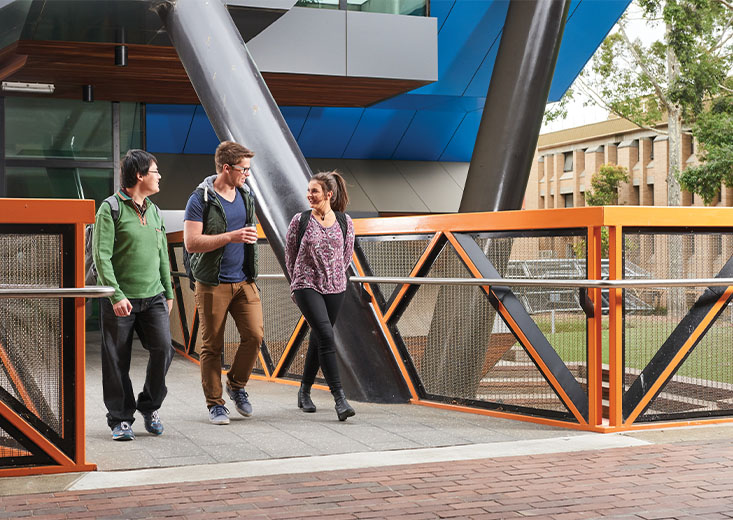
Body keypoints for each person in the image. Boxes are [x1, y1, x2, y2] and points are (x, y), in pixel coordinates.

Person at [93, 149, 174, 441]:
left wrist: (169, 291)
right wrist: (115, 296)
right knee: (116, 359)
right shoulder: (110, 208)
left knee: (165, 349)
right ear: (139, 175)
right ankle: (120, 419)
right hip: (120, 297)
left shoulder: (154, 210)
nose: (159, 176)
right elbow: (101, 256)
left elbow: (162, 253)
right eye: (155, 171)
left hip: (153, 297)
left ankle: (149, 406)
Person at [183, 141, 263, 425]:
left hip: (244, 281)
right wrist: (230, 236)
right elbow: (192, 243)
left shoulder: (246, 194)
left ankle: (237, 386)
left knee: (254, 336)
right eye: (244, 169)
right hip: (212, 282)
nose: (248, 174)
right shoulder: (200, 198)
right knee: (212, 345)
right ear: (226, 168)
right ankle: (215, 404)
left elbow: (248, 233)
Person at [285, 171, 356, 421]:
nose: (309, 195)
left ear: (329, 194)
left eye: (314, 191)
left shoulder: (345, 222)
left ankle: (304, 391)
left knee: (319, 336)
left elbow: (346, 257)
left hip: (336, 287)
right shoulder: (300, 220)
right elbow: (290, 254)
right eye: (308, 190)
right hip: (306, 285)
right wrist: (296, 283)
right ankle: (340, 398)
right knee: (326, 334)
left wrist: (334, 276)